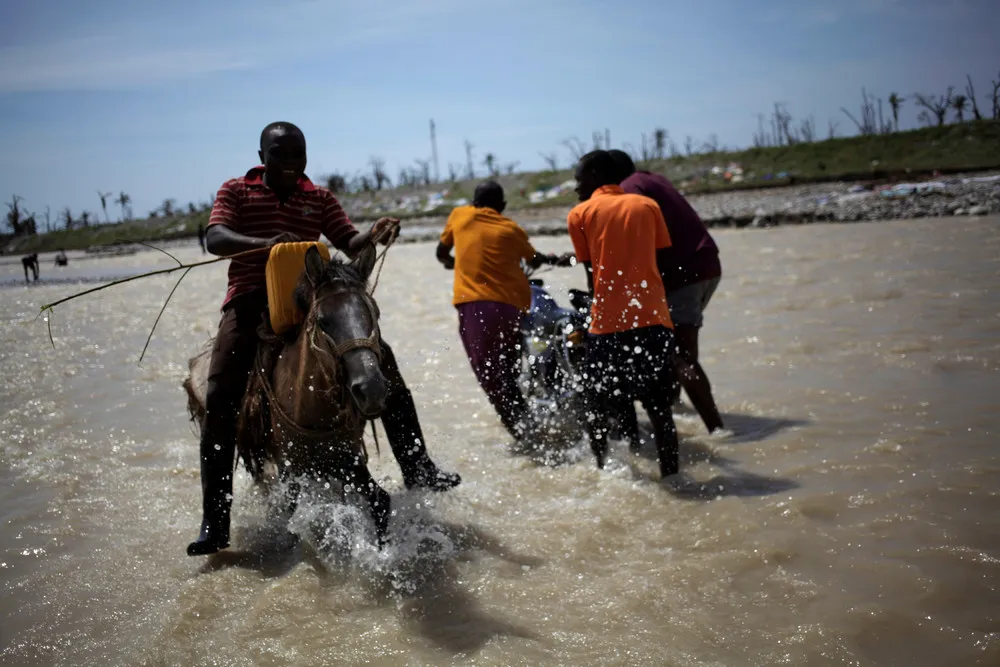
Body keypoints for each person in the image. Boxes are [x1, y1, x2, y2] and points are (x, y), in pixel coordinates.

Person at [188, 121, 460, 557]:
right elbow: (215, 237)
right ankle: (215, 520)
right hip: (250, 300)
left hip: (309, 301)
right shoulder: (236, 191)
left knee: (379, 359)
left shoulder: (319, 198)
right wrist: (264, 243)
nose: (294, 165)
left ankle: (418, 466)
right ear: (263, 158)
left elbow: (348, 240)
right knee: (220, 393)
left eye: (300, 157)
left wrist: (374, 233)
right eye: (283, 157)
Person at [567, 150, 681, 478]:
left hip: (608, 323)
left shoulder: (580, 213)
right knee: (659, 408)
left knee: (596, 402)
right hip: (654, 319)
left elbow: (592, 275)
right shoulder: (647, 206)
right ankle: (674, 478)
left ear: (596, 175)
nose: (577, 187)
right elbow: (656, 261)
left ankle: (605, 471)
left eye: (580, 179)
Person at [435, 180, 569, 439]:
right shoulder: (511, 229)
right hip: (511, 309)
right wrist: (555, 259)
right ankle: (529, 424)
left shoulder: (460, 215)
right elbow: (533, 259)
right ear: (503, 206)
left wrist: (453, 262)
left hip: (476, 307)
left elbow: (441, 252)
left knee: (491, 377)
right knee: (508, 370)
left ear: (474, 203)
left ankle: (524, 436)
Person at [608, 149, 724, 434]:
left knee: (682, 356)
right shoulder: (651, 179)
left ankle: (718, 430)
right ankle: (674, 408)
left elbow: (638, 240)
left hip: (682, 274)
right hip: (705, 265)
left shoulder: (629, 189)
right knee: (668, 346)